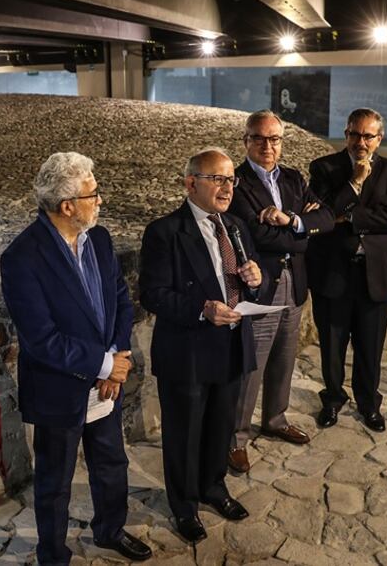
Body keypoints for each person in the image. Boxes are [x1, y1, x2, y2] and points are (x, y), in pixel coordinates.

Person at [0, 152, 151, 565]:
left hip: (107, 380)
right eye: (93, 194)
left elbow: (120, 299)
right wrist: (104, 365)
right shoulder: (21, 258)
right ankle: (52, 555)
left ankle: (110, 530)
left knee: (111, 463)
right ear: (67, 206)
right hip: (59, 389)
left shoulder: (99, 239)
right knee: (55, 481)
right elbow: (41, 340)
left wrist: (117, 360)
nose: (100, 201)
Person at [140, 148, 264, 543]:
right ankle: (184, 505)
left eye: (231, 180)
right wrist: (202, 308)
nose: (227, 187)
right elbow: (153, 294)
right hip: (188, 350)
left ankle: (213, 487)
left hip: (230, 344)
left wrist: (255, 279)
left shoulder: (238, 228)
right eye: (218, 179)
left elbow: (247, 282)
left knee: (219, 427)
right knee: (185, 432)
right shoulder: (165, 232)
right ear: (191, 183)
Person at [226, 110, 333, 472]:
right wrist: (302, 231)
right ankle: (236, 437)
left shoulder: (293, 178)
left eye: (274, 139)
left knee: (285, 359)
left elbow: (327, 219)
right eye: (259, 138)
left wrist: (290, 220)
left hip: (295, 283)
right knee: (251, 366)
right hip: (261, 285)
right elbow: (256, 236)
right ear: (246, 141)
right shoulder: (236, 183)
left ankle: (275, 419)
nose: (267, 145)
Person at [308, 108, 387, 431]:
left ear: (379, 139)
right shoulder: (323, 168)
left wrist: (349, 218)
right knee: (332, 346)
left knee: (370, 346)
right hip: (333, 272)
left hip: (375, 274)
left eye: (368, 136)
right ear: (346, 134)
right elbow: (324, 215)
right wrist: (354, 183)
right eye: (354, 134)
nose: (360, 142)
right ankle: (333, 399)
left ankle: (369, 403)